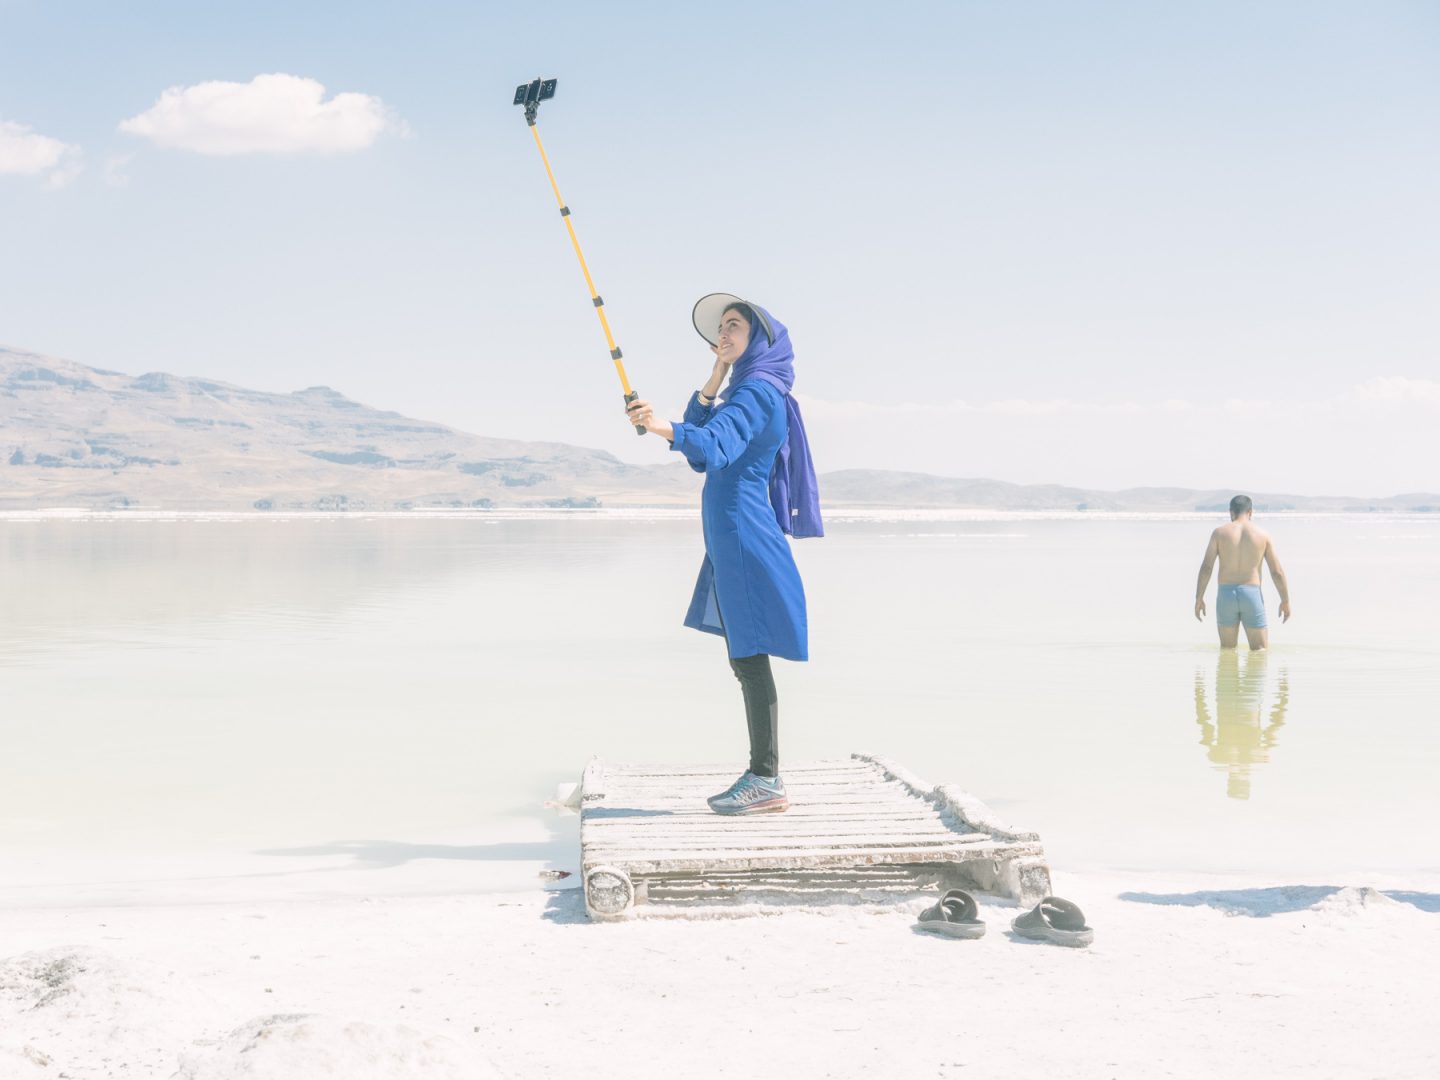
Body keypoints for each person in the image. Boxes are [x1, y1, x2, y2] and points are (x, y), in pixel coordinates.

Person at [624, 293, 822, 815]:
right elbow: (702, 449)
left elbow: (711, 446)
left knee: (748, 656)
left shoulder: (757, 391)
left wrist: (660, 425)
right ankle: (764, 775)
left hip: (742, 532)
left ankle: (766, 778)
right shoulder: (743, 387)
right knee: (745, 656)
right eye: (721, 329)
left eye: (736, 326)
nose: (725, 333)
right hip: (732, 533)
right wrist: (714, 373)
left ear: (761, 338)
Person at [1193, 495, 1292, 650]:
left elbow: (1206, 567)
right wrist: (1285, 600)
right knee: (1260, 651)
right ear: (1250, 512)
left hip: (1226, 595)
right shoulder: (1262, 535)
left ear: (1231, 512)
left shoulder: (1219, 533)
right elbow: (1276, 572)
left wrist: (1199, 598)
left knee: (1227, 650)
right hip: (1251, 594)